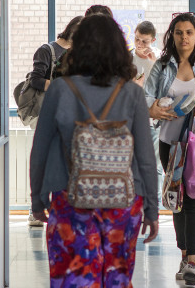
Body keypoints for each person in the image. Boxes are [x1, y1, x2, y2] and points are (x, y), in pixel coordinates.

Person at [29, 14, 159, 287]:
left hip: (70, 199)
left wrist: (38, 199)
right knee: (117, 279)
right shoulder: (132, 93)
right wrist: (151, 209)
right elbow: (146, 158)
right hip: (125, 201)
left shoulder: (61, 90)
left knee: (74, 278)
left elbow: (39, 148)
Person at [143, 12, 195, 286]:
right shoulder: (162, 65)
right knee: (177, 200)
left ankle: (193, 262)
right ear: (172, 36)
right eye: (179, 32)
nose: (184, 37)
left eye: (189, 32)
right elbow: (147, 97)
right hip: (168, 142)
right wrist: (154, 109)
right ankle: (184, 257)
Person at [25, 15, 82, 227]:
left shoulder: (82, 56)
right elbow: (36, 79)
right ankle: (38, 207)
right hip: (51, 111)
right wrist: (61, 87)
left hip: (72, 117)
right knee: (48, 158)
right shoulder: (47, 50)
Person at [130, 21, 164, 205]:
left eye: (144, 41)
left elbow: (167, 88)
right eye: (137, 39)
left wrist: (154, 64)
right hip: (132, 119)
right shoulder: (126, 59)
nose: (140, 45)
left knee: (155, 166)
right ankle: (135, 205)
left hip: (154, 120)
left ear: (153, 40)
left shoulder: (159, 59)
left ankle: (153, 206)